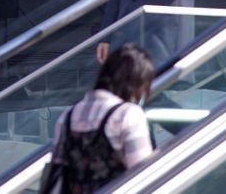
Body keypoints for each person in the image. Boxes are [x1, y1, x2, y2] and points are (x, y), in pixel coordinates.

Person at [47, 44, 154, 193]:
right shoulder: (127, 115)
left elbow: (57, 171)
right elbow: (143, 174)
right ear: (135, 83)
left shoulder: (67, 117)